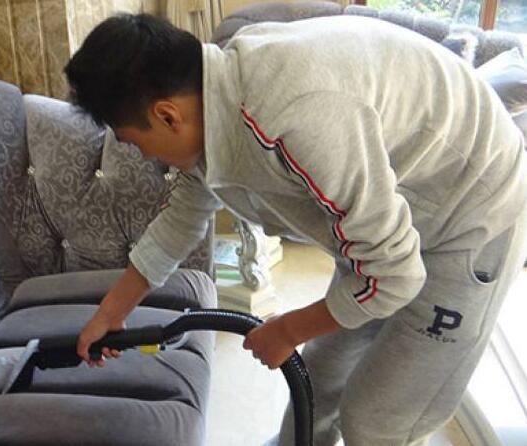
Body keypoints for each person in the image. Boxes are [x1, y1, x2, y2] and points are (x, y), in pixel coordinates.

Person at [63, 12, 527, 446]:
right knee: (320, 381)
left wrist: (286, 330)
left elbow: (394, 276)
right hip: (386, 226)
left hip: (470, 217)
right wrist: (112, 310)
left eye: (135, 142)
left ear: (167, 115)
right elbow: (184, 213)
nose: (145, 156)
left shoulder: (296, 118)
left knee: (376, 419)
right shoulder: (213, 100)